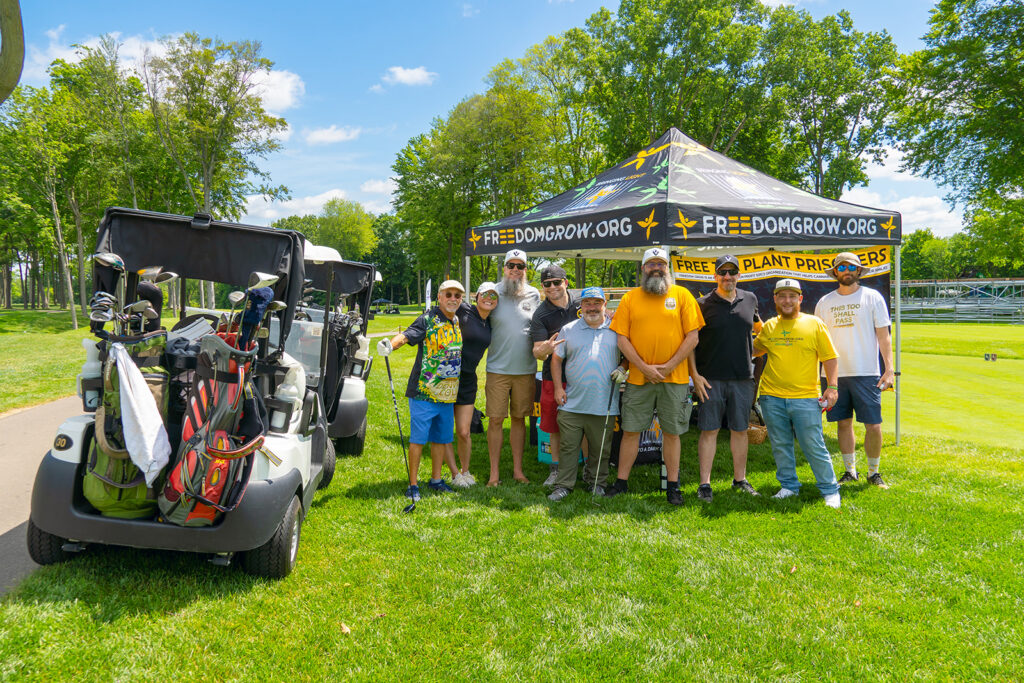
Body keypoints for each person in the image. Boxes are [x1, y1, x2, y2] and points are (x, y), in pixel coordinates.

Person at [605, 247, 705, 505]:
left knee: (672, 433)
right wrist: (643, 367)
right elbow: (622, 338)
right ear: (643, 269)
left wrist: (669, 366)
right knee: (630, 431)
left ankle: (673, 486)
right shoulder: (630, 298)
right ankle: (621, 483)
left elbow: (693, 337)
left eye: (661, 263)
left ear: (667, 268)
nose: (657, 268)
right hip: (639, 379)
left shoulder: (682, 295)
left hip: (675, 378)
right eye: (651, 264)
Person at [753, 278, 841, 508]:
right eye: (782, 296)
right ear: (775, 299)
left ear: (800, 298)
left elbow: (830, 358)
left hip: (805, 397)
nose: (787, 301)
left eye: (792, 296)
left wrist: (832, 387)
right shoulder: (769, 326)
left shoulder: (814, 324)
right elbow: (754, 350)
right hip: (771, 397)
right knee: (780, 444)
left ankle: (830, 490)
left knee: (813, 445)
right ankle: (789, 486)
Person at [377, 280, 464, 502]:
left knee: (441, 439)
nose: (453, 299)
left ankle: (436, 480)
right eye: (448, 294)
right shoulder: (428, 319)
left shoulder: (456, 321)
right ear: (439, 296)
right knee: (418, 439)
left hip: (447, 394)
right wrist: (391, 345)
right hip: (424, 392)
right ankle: (413, 484)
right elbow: (407, 335)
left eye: (457, 295)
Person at [814, 252, 895, 489]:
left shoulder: (873, 297)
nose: (846, 271)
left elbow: (884, 336)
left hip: (867, 372)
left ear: (859, 271)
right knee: (843, 423)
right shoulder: (824, 302)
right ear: (835, 272)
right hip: (833, 375)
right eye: (841, 267)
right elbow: (817, 341)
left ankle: (873, 472)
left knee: (873, 424)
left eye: (851, 267)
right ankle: (850, 471)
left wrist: (889, 369)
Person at [690, 255, 761, 502]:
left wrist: (756, 351)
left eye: (732, 272)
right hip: (710, 379)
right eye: (722, 272)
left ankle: (740, 480)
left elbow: (759, 330)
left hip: (742, 378)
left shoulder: (750, 299)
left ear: (739, 275)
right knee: (709, 430)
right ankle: (704, 484)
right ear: (715, 276)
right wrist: (695, 375)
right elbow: (690, 343)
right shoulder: (701, 304)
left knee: (740, 430)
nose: (727, 276)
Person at [547, 287, 624, 501]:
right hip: (572, 402)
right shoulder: (569, 329)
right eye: (587, 303)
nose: (592, 307)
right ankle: (564, 485)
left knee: (601, 449)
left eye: (596, 302)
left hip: (604, 403)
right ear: (580, 306)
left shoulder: (616, 329)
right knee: (568, 447)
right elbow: (556, 359)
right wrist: (558, 388)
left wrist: (623, 367)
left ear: (604, 304)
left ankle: (596, 483)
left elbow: (628, 355)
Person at [484, 249, 541, 486]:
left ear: (526, 270)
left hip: (525, 369)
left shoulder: (534, 294)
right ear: (504, 268)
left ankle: (518, 471)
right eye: (511, 265)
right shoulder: (492, 293)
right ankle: (494, 474)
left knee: (519, 419)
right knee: (496, 420)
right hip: (497, 369)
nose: (515, 270)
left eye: (520, 266)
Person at [530, 264, 580, 487]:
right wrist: (546, 349)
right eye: (547, 284)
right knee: (553, 425)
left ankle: (588, 469)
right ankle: (556, 469)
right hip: (553, 377)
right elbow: (538, 353)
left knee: (585, 422)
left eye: (557, 282)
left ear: (566, 283)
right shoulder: (540, 314)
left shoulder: (581, 301)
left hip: (583, 373)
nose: (552, 287)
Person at [449, 281, 499, 488]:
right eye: (484, 294)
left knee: (464, 431)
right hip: (448, 376)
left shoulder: (492, 321)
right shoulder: (463, 309)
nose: (489, 298)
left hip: (468, 379)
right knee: (445, 430)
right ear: (476, 296)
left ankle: (465, 471)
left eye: (493, 295)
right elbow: (446, 303)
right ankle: (454, 474)